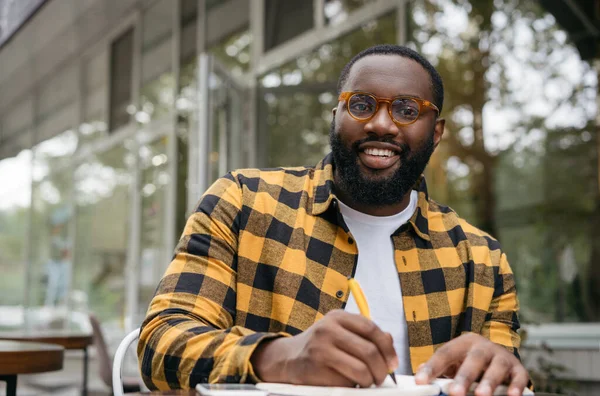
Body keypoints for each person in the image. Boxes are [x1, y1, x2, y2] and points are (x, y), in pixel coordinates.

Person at [138, 44, 529, 396]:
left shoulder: (482, 260)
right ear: (337, 116)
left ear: (437, 132)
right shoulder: (243, 203)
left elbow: (502, 375)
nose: (381, 124)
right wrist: (280, 358)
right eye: (361, 104)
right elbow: (161, 342)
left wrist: (498, 372)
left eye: (408, 110)